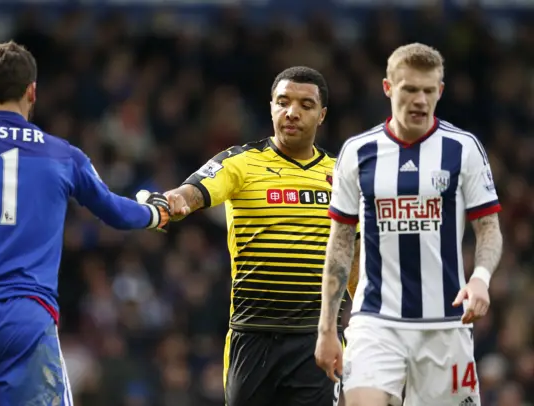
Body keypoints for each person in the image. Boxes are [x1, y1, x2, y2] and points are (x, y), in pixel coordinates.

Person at [0, 41, 170, 406]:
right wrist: (155, 211)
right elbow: (116, 212)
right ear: (32, 92)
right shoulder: (64, 155)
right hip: (25, 318)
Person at [144, 66, 360, 406]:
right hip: (252, 336)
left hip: (315, 338)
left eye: (305, 104)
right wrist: (174, 202)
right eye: (283, 102)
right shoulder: (240, 162)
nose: (292, 112)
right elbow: (192, 191)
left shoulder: (344, 175)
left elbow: (355, 255)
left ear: (322, 115)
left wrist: (368, 323)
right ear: (271, 106)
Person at [315, 43, 503, 406]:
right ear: (388, 88)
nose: (420, 100)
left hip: (445, 326)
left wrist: (480, 277)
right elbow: (340, 243)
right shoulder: (358, 152)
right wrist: (327, 329)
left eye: (429, 91)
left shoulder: (463, 149)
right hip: (376, 321)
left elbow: (489, 228)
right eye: (410, 89)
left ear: (440, 92)